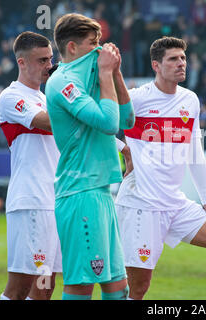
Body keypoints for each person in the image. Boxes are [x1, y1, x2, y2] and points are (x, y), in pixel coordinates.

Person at [115, 36, 206, 300]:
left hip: (175, 203)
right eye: (173, 59)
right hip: (142, 204)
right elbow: (99, 125)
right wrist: (124, 149)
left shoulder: (190, 100)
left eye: (183, 58)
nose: (181, 63)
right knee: (138, 288)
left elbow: (195, 152)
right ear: (156, 65)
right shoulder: (137, 99)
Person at [45, 13, 134, 300]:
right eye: (92, 43)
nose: (100, 50)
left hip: (100, 192)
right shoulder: (63, 82)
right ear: (72, 47)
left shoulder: (91, 75)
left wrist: (116, 73)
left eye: (101, 43)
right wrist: (106, 74)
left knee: (118, 287)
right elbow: (109, 124)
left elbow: (128, 120)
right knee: (82, 285)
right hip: (79, 193)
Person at [0, 31, 61, 300]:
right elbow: (47, 122)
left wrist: (123, 148)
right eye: (41, 60)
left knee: (45, 288)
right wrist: (72, 97)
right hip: (31, 201)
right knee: (20, 286)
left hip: (55, 201)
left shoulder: (49, 99)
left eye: (50, 59)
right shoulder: (10, 97)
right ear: (21, 62)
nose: (49, 66)